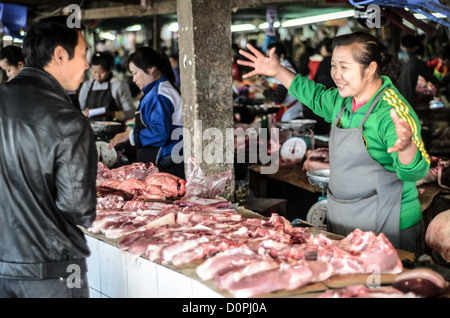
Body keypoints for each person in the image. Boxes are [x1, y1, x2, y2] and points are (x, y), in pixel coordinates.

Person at [238, 32, 430, 252]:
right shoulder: (342, 101)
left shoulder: (392, 111)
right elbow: (313, 94)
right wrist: (278, 71)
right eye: (333, 66)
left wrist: (406, 147)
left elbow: (414, 173)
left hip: (387, 224)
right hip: (343, 218)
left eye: (344, 67)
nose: (336, 75)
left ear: (370, 68)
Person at [0, 16, 97, 297]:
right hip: (52, 270)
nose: (87, 64)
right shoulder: (68, 120)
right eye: (83, 55)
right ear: (59, 55)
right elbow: (78, 209)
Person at [108, 46, 185, 179]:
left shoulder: (159, 95)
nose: (134, 79)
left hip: (167, 162)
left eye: (135, 73)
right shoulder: (159, 90)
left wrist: (130, 136)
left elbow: (160, 133)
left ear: (151, 69)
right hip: (168, 160)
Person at [249, 42, 303, 122]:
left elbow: (278, 99)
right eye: (267, 57)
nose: (269, 60)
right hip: (291, 113)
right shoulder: (285, 67)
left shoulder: (284, 70)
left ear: (281, 56)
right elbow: (280, 93)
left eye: (272, 57)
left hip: (290, 115)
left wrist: (260, 89)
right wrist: (267, 87)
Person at [79, 51, 135, 122]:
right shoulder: (87, 85)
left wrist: (112, 114)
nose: (98, 76)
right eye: (95, 72)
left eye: (102, 72)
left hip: (114, 131)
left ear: (110, 68)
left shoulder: (118, 84)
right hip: (91, 130)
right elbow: (79, 110)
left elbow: (130, 113)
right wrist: (85, 112)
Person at [398, 35, 438, 110]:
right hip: (408, 103)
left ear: (401, 46)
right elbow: (433, 79)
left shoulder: (396, 59)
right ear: (415, 47)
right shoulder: (417, 62)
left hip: (393, 101)